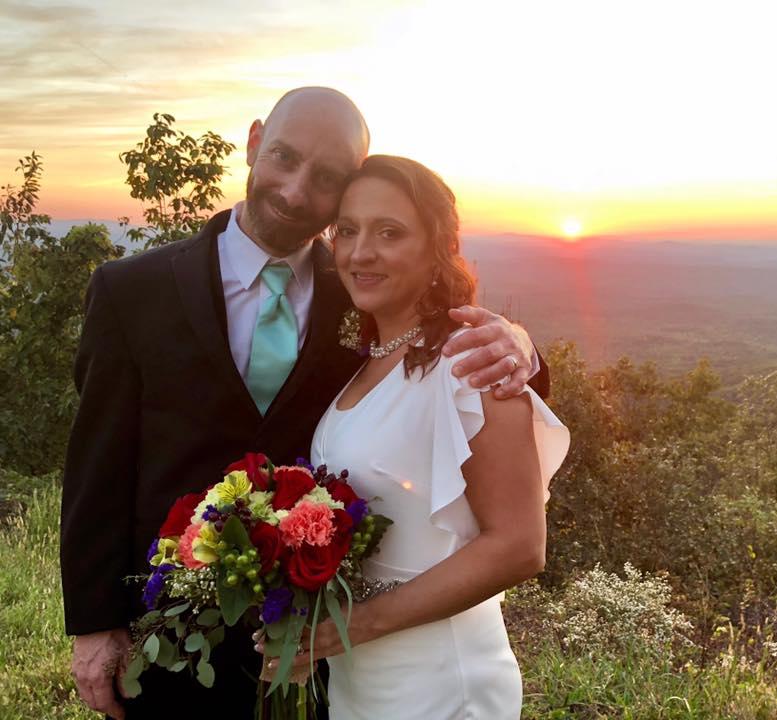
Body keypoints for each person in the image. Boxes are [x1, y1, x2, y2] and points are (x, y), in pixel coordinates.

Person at [60, 88, 548, 720]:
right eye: (285, 158)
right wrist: (95, 622)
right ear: (256, 141)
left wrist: (523, 349)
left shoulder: (362, 292)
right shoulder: (133, 291)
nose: (294, 191)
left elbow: (463, 374)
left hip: (319, 651)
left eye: (324, 179)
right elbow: (96, 464)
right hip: (171, 635)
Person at [260, 155, 569, 718]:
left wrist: (353, 626)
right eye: (347, 231)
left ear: (436, 249)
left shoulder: (470, 365)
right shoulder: (359, 366)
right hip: (364, 676)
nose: (359, 252)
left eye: (389, 232)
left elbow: (520, 547)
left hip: (442, 678)